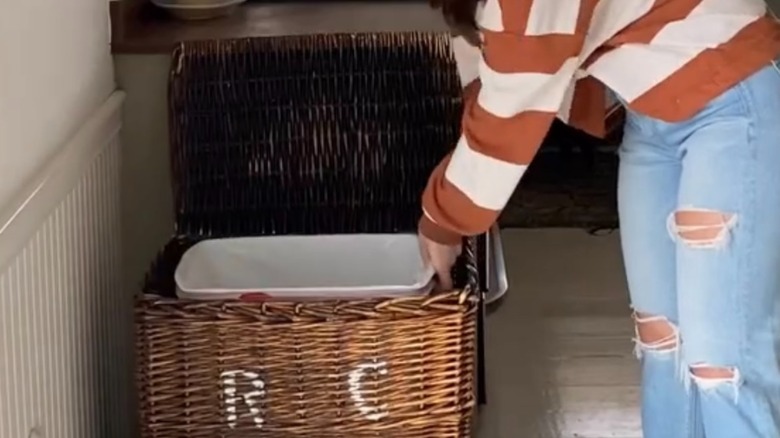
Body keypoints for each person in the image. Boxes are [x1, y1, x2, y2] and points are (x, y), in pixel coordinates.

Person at [417, 0, 780, 436]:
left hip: (731, 100)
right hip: (651, 116)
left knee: (722, 361)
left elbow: (506, 108)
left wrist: (443, 218)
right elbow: (500, 65)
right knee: (662, 341)